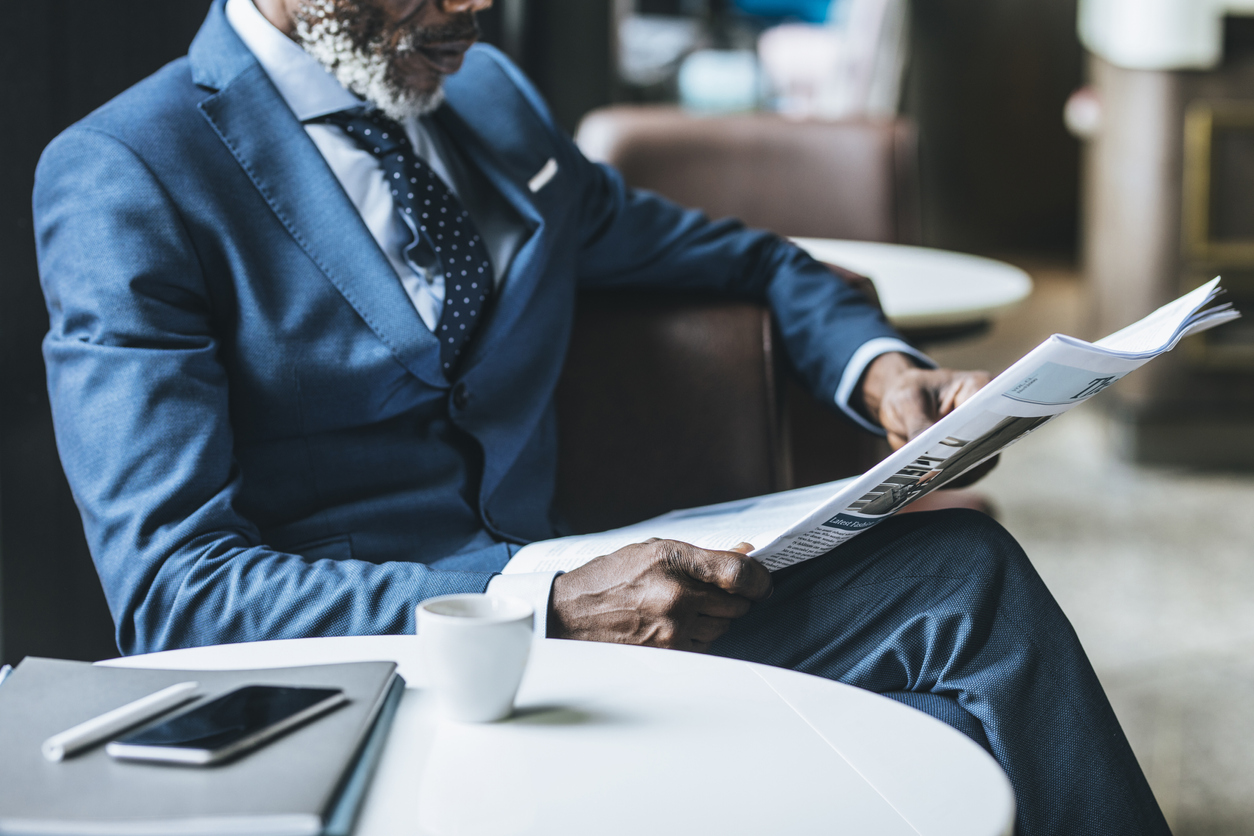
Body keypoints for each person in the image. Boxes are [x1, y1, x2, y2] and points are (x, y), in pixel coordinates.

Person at [32, 1, 1170, 833]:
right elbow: (176, 592)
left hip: (584, 597)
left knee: (964, 570)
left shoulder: (482, 103)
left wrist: (880, 374)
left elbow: (750, 260)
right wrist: (546, 602)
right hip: (379, 660)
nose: (477, 6)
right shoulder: (131, 170)